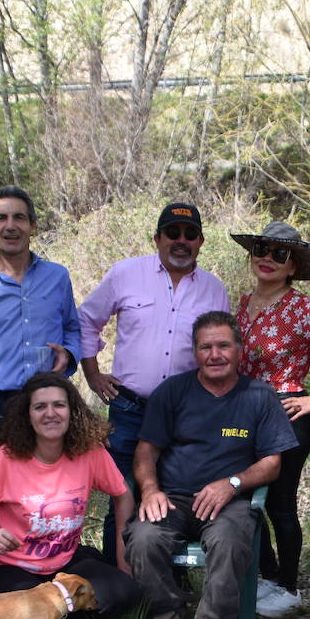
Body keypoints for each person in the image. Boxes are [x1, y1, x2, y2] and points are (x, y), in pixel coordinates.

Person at [123, 312, 298, 619]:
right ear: (195, 352)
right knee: (142, 538)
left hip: (230, 501)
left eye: (223, 345)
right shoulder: (173, 391)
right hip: (173, 498)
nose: (214, 354)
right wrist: (151, 489)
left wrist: (232, 483)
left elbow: (272, 463)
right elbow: (146, 450)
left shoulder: (259, 396)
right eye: (206, 347)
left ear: (239, 349)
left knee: (231, 542)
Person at [77, 202, 230, 558]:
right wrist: (93, 373)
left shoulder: (213, 289)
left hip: (186, 413)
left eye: (190, 234)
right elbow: (86, 320)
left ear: (201, 241)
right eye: (172, 233)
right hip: (129, 408)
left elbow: (220, 349)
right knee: (124, 492)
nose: (181, 240)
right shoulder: (125, 274)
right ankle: (121, 581)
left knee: (176, 492)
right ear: (157, 238)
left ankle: (166, 575)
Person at [229, 221, 310, 617]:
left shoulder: (301, 308)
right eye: (262, 250)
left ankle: (288, 585)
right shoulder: (242, 303)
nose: (268, 258)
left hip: (287, 410)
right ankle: (265, 574)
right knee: (246, 497)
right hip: (244, 412)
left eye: (279, 254)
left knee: (280, 501)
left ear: (292, 266)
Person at [0, 373, 140, 619]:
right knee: (20, 613)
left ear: (72, 411)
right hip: (13, 568)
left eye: (58, 405)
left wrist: (123, 560)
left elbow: (123, 494)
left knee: (123, 591)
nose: (50, 413)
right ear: (27, 415)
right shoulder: (5, 459)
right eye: (40, 406)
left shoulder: (89, 452)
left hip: (67, 563)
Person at [0, 186, 80, 412]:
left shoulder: (57, 277)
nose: (10, 226)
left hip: (48, 397)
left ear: (32, 226)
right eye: (1, 218)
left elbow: (72, 328)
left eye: (19, 218)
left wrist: (69, 355)